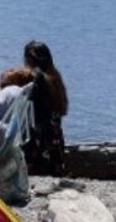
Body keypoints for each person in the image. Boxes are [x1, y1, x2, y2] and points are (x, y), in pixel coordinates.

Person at [22, 40, 68, 176]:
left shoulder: (38, 77)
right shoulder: (54, 75)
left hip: (41, 136)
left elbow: (27, 101)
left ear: (29, 59)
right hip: (54, 134)